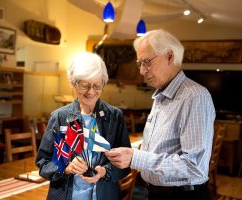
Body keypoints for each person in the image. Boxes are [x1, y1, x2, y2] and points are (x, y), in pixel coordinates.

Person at [105, 29, 215, 200]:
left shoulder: (194, 97)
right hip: (155, 193)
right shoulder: (161, 95)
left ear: (169, 56)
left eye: (146, 62)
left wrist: (136, 157)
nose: (142, 71)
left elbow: (194, 166)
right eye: (139, 63)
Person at [36, 52, 131, 200]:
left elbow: (125, 165)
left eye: (97, 85)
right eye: (84, 85)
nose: (91, 91)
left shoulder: (115, 117)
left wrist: (104, 172)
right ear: (73, 83)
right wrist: (66, 168)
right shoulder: (60, 117)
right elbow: (43, 164)